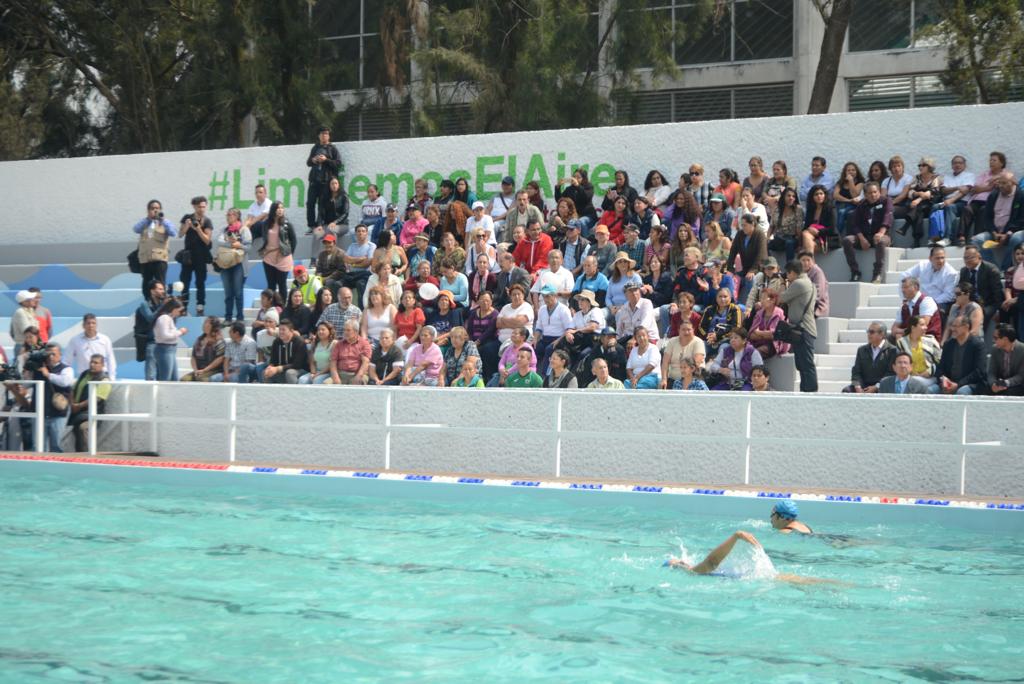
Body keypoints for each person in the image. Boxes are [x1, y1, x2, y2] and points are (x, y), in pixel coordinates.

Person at [779, 260, 818, 392]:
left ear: (793, 272)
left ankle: (811, 392)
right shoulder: (809, 283)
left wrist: (783, 284)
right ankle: (806, 390)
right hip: (805, 329)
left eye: (788, 274)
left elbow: (782, 298)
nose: (787, 276)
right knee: (802, 364)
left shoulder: (799, 283)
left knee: (806, 364)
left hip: (804, 329)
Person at [843, 181, 893, 284]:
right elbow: (855, 224)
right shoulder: (862, 204)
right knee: (847, 240)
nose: (873, 195)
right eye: (870, 193)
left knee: (881, 241)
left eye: (875, 192)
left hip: (882, 235)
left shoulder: (886, 201)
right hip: (865, 236)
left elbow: (888, 217)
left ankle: (877, 274)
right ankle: (855, 272)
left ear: (879, 192)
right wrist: (861, 239)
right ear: (865, 195)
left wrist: (880, 233)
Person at [973, 172, 1024, 269]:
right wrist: (993, 232)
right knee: (977, 240)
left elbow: (1021, 220)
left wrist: (1008, 233)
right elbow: (987, 217)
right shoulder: (994, 195)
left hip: (1013, 232)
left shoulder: (1021, 196)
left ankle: (1005, 268)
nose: (1001, 186)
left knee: (1016, 239)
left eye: (1004, 183)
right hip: (995, 233)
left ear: (1013, 183)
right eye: (1000, 183)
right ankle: (994, 269)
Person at [252, 201, 297, 301]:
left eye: (282, 208)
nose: (280, 210)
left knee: (282, 284)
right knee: (271, 285)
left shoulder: (287, 224)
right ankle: (272, 307)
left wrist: (289, 253)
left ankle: (282, 308)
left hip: (283, 257)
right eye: (278, 208)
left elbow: (294, 240)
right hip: (269, 256)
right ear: (273, 210)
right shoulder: (266, 224)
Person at [66, 354, 111, 452]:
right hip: (78, 412)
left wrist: (78, 406)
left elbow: (97, 399)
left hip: (93, 414)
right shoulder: (84, 374)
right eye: (91, 362)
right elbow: (74, 389)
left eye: (96, 363)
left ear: (102, 365)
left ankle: (88, 455)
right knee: (76, 430)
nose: (92, 365)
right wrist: (72, 403)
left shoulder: (104, 379)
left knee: (83, 428)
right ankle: (80, 455)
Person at [132, 199, 177, 297]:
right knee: (146, 285)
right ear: (148, 210)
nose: (155, 210)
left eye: (157, 208)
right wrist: (148, 219)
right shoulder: (144, 223)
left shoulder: (165, 222)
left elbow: (173, 233)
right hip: (146, 259)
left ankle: (160, 304)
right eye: (152, 208)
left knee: (160, 284)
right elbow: (135, 229)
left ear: (160, 209)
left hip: (159, 260)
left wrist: (162, 220)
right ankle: (149, 303)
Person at [214, 208, 252, 323]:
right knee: (228, 293)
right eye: (227, 214)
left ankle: (240, 318)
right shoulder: (224, 230)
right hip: (225, 265)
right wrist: (233, 245)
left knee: (238, 292)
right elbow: (219, 242)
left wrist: (239, 245)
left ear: (237, 216)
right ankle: (228, 318)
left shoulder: (244, 230)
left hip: (239, 265)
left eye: (231, 215)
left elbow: (248, 247)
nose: (228, 217)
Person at [177, 195, 213, 315]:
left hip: (201, 256)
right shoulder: (187, 218)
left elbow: (208, 240)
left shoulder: (207, 221)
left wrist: (198, 229)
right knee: (184, 282)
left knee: (200, 282)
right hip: (188, 255)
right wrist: (187, 226)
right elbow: (180, 234)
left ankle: (200, 306)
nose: (202, 209)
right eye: (199, 207)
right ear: (194, 206)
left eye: (204, 206)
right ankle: (183, 307)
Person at [936, 315, 987, 395]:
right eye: (952, 326)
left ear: (966, 327)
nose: (952, 329)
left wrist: (958, 384)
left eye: (956, 326)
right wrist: (943, 380)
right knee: (931, 390)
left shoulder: (978, 345)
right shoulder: (948, 344)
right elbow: (940, 367)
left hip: (970, 384)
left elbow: (979, 372)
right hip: (949, 383)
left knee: (962, 392)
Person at [959, 244, 1005, 330]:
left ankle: (977, 338)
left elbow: (997, 293)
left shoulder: (990, 269)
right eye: (965, 258)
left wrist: (998, 310)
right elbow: (962, 289)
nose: (967, 260)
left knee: (981, 313)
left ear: (979, 257)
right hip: (971, 303)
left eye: (971, 257)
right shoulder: (964, 271)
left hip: (989, 303)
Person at [305, 126, 342, 233]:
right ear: (318, 136)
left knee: (322, 205)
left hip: (326, 182)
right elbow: (308, 163)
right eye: (322, 133)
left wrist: (326, 160)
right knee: (310, 203)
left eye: (326, 133)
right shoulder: (315, 148)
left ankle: (320, 226)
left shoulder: (332, 148)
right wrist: (314, 160)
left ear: (329, 136)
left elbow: (338, 164)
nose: (324, 135)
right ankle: (311, 226)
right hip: (314, 181)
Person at [901, 245, 959, 310]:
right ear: (930, 258)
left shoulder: (951, 273)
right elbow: (904, 275)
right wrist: (905, 297)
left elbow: (948, 295)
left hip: (940, 303)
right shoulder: (922, 265)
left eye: (942, 258)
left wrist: (929, 303)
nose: (940, 261)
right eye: (937, 258)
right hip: (921, 300)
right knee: (906, 309)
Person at [844, 322, 897, 393]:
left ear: (882, 334)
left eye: (871, 332)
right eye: (868, 331)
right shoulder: (861, 350)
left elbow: (891, 373)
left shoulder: (892, 350)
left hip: (882, 386)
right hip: (863, 386)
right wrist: (857, 386)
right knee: (846, 391)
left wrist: (876, 387)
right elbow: (856, 371)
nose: (868, 334)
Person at [727, 213, 768, 304]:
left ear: (752, 224)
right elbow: (733, 251)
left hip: (759, 269)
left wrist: (752, 270)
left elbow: (761, 255)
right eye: (742, 225)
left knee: (750, 279)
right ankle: (731, 301)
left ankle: (744, 304)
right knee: (729, 277)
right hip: (745, 268)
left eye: (745, 225)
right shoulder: (740, 234)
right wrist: (729, 268)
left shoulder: (760, 234)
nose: (743, 227)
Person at [895, 315, 942, 393]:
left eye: (926, 325)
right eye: (922, 325)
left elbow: (940, 361)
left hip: (929, 377)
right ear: (913, 327)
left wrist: (928, 372)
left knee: (915, 384)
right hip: (909, 376)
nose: (926, 327)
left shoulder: (931, 340)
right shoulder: (901, 342)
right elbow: (899, 362)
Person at [904, 157, 943, 247]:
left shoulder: (936, 178)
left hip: (931, 204)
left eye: (923, 165)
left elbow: (932, 193)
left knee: (917, 208)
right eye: (919, 165)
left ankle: (908, 229)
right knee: (918, 212)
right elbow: (910, 192)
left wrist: (918, 199)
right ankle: (916, 239)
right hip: (919, 206)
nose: (920, 167)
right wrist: (918, 193)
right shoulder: (916, 178)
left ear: (930, 167)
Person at [533, 285, 573, 375]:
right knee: (534, 349)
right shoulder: (542, 309)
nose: (545, 299)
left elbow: (569, 328)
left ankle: (545, 377)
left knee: (549, 350)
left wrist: (558, 340)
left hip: (560, 339)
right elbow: (539, 327)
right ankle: (532, 375)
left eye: (548, 296)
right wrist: (535, 338)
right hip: (545, 338)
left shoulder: (563, 309)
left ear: (554, 295)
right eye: (544, 296)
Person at [65, 313, 116, 380]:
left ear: (96, 325)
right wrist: (66, 377)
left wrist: (112, 377)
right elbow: (66, 360)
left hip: (102, 376)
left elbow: (110, 359)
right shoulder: (75, 340)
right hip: (84, 376)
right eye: (88, 323)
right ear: (83, 325)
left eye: (93, 323)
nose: (91, 325)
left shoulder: (105, 339)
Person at [940, 155, 975, 246]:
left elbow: (964, 191)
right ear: (952, 165)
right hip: (947, 201)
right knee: (935, 207)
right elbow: (943, 191)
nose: (957, 165)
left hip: (961, 203)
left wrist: (951, 199)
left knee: (950, 207)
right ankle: (933, 238)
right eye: (955, 163)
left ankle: (948, 238)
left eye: (960, 163)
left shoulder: (969, 176)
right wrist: (957, 187)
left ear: (964, 165)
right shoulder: (947, 177)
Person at [892, 276, 941, 340]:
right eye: (902, 288)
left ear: (915, 287)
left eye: (906, 287)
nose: (903, 290)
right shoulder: (904, 307)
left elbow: (921, 326)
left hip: (928, 339)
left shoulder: (926, 301)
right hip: (910, 338)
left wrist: (901, 332)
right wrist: (904, 332)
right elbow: (894, 329)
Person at [660, 320, 705, 389]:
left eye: (689, 329)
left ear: (693, 330)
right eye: (683, 330)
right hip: (673, 380)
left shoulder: (698, 342)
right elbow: (665, 362)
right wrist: (664, 379)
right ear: (679, 330)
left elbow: (696, 363)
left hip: (692, 381)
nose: (686, 332)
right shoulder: (672, 341)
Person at [697, 287, 742, 356]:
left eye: (725, 296)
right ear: (716, 298)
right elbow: (701, 326)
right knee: (699, 350)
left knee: (723, 349)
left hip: (726, 340)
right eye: (720, 296)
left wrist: (717, 336)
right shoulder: (709, 309)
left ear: (730, 298)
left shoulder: (735, 309)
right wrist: (708, 336)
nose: (722, 299)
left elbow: (736, 327)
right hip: (709, 340)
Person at [180, 316, 225, 382]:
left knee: (201, 379)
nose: (203, 324)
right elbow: (193, 357)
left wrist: (205, 370)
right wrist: (195, 370)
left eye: (206, 322)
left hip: (213, 370)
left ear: (213, 326)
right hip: (199, 370)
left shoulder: (219, 341)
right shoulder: (199, 339)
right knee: (184, 380)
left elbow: (220, 358)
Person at [466, 291, 500, 378]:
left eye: (487, 300)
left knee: (485, 350)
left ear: (491, 302)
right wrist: (470, 341)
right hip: (474, 340)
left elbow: (490, 331)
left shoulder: (495, 314)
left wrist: (477, 342)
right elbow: (469, 329)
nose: (485, 303)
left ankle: (487, 377)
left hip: (490, 340)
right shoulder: (473, 313)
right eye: (482, 300)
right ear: (478, 302)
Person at [263, 319, 308, 384]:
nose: (281, 332)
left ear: (291, 331)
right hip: (282, 370)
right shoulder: (276, 342)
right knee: (266, 373)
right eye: (279, 330)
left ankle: (295, 393)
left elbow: (297, 365)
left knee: (290, 373)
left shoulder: (299, 342)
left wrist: (278, 368)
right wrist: (270, 367)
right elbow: (273, 361)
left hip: (300, 370)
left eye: (283, 330)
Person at [152, 298, 187, 381]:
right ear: (173, 308)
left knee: (173, 379)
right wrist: (180, 332)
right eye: (179, 311)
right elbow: (165, 335)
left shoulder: (169, 318)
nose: (179, 313)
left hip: (170, 350)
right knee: (165, 378)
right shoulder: (164, 318)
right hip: (164, 349)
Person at [615, 282, 659, 347]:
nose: (634, 293)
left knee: (632, 347)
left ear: (639, 292)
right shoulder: (624, 308)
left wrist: (634, 339)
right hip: (629, 338)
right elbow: (619, 330)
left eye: (636, 290)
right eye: (630, 291)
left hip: (648, 338)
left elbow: (644, 325)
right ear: (626, 295)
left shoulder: (646, 303)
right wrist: (615, 341)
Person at [747, 289, 788, 359]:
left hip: (773, 345)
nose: (761, 301)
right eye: (761, 298)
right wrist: (765, 335)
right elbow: (751, 335)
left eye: (764, 298)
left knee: (755, 354)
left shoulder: (779, 313)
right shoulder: (759, 313)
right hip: (757, 343)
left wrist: (758, 332)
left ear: (773, 300)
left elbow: (774, 335)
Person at [328, 319, 371, 385]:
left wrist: (358, 377)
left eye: (348, 330)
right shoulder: (339, 344)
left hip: (357, 374)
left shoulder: (364, 344)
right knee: (326, 384)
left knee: (358, 383)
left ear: (356, 331)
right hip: (341, 374)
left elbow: (365, 362)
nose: (345, 332)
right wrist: (336, 378)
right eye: (344, 330)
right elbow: (333, 362)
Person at [987, 324, 1024, 396]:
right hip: (998, 385)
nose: (993, 340)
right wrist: (993, 384)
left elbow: (1021, 376)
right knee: (985, 390)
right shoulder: (995, 349)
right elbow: (991, 372)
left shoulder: (1022, 350)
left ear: (1005, 339)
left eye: (995, 338)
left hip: (1017, 386)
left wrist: (1006, 383)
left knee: (1010, 392)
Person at [341, 223, 376, 299]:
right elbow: (346, 259)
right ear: (356, 233)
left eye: (363, 231)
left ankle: (362, 309)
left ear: (367, 233)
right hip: (352, 274)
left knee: (360, 284)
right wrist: (360, 259)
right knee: (339, 284)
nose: (361, 233)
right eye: (358, 231)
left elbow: (367, 263)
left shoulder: (371, 246)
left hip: (364, 275)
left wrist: (353, 263)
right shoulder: (352, 246)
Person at [768, 187, 802, 263]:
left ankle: (790, 268)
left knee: (789, 243)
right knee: (764, 246)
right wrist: (767, 238)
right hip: (779, 238)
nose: (791, 198)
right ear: (783, 197)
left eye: (793, 196)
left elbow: (799, 229)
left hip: (792, 238)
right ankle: (772, 267)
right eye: (788, 196)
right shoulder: (777, 209)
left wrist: (800, 245)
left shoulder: (798, 209)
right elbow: (771, 226)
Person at [496, 283, 534, 348]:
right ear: (510, 296)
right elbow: (498, 324)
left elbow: (519, 323)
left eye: (519, 294)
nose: (516, 297)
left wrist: (503, 319)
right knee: (487, 349)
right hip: (501, 341)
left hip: (520, 343)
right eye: (514, 295)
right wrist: (514, 323)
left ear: (523, 295)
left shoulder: (527, 307)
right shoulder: (506, 307)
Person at [803, 184, 838, 254]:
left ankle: (810, 264)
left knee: (804, 251)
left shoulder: (831, 209)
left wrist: (818, 232)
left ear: (825, 195)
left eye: (821, 194)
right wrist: (810, 230)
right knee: (806, 234)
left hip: (829, 238)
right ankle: (811, 264)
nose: (819, 196)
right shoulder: (810, 210)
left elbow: (832, 229)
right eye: (816, 194)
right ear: (812, 197)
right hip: (812, 238)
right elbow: (806, 227)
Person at [831, 163, 864, 235]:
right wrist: (848, 200)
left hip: (853, 205)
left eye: (853, 170)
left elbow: (854, 195)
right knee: (836, 212)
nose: (851, 172)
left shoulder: (860, 183)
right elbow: (835, 195)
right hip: (840, 204)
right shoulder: (840, 183)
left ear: (857, 172)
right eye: (848, 170)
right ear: (845, 172)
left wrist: (851, 181)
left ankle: (836, 234)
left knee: (842, 212)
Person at [799, 250, 830, 318]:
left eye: (808, 260)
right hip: (803, 305)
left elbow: (818, 294)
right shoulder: (799, 274)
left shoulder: (817, 272)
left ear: (812, 261)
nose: (806, 263)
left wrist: (803, 304)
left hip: (818, 307)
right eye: (803, 260)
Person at [1003, 244, 1024, 338]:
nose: (1020, 256)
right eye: (1017, 254)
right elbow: (1008, 288)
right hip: (1014, 300)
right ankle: (1006, 336)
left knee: (1018, 306)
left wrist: (1014, 300)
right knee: (1004, 307)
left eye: (1022, 253)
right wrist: (1008, 300)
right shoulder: (1010, 270)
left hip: (1020, 300)